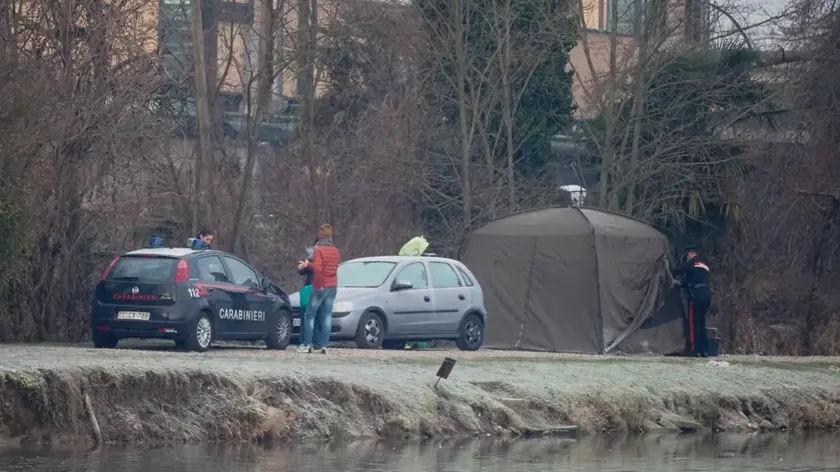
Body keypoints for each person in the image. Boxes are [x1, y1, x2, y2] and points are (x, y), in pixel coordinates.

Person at [297, 224, 341, 354]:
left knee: (310, 315)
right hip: (333, 286)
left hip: (320, 285)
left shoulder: (319, 250)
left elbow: (318, 269)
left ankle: (306, 344)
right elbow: (332, 269)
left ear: (320, 236)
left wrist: (307, 265)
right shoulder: (336, 251)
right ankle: (323, 345)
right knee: (326, 316)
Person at [672, 249, 712, 357]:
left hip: (696, 296)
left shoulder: (693, 262)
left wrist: (671, 273)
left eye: (688, 257)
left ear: (691, 254)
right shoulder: (705, 265)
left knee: (693, 323)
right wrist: (682, 284)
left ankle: (694, 350)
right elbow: (696, 279)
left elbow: (677, 270)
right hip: (706, 296)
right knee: (702, 323)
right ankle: (704, 350)